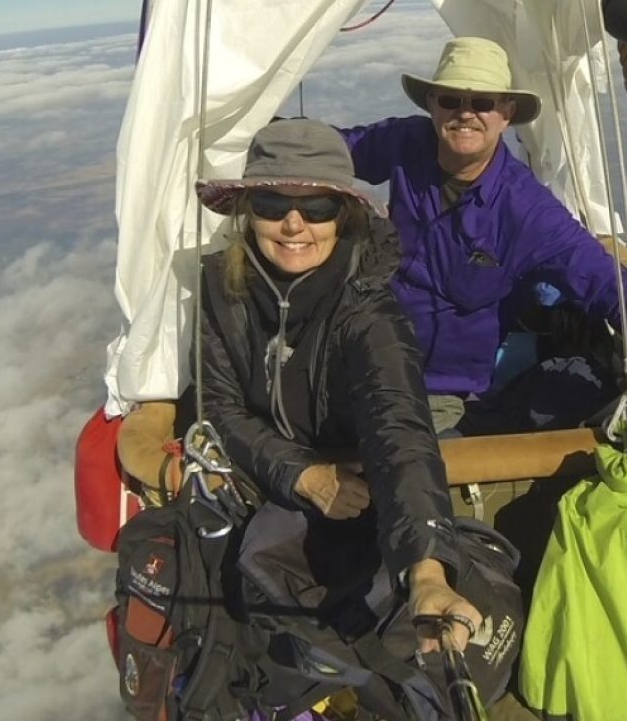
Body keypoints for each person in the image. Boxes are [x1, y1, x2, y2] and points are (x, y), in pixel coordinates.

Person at [337, 36, 627, 431]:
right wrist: (275, 133)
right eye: (451, 100)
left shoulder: (526, 210)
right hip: (358, 346)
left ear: (506, 114)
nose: (465, 113)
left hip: (433, 389)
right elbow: (331, 149)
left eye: (482, 102)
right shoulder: (406, 143)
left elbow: (606, 284)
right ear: (432, 105)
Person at [193, 117, 482, 654]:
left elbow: (400, 430)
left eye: (318, 207)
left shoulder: (367, 310)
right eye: (273, 205)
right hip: (274, 487)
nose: (295, 224)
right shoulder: (221, 288)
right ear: (248, 213)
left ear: (344, 215)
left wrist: (426, 569)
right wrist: (302, 473)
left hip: (363, 502)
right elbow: (219, 405)